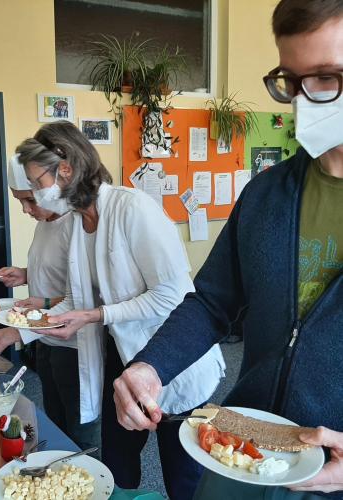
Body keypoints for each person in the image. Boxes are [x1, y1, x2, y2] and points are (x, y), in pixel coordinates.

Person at [113, 1, 343, 498]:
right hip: (240, 450)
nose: (307, 101)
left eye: (326, 78)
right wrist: (150, 366)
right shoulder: (264, 195)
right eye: (291, 80)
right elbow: (213, 301)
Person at [15, 120, 225, 500]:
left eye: (35, 183)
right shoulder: (79, 223)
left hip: (173, 358)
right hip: (123, 359)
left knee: (183, 474)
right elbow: (78, 301)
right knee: (114, 464)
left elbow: (173, 296)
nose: (34, 194)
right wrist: (23, 328)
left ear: (65, 169)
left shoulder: (133, 209)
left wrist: (96, 316)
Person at [0, 155, 101, 454]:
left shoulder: (78, 226)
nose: (25, 209)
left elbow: (87, 298)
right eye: (19, 200)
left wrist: (34, 311)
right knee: (55, 423)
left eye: (30, 200)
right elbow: (58, 274)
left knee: (81, 431)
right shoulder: (45, 222)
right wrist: (25, 274)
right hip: (43, 338)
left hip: (73, 346)